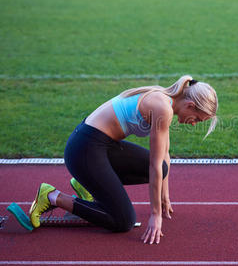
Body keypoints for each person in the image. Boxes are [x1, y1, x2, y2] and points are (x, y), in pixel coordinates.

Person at [28, 75, 218, 245]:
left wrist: (164, 197)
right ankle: (52, 196)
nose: (194, 124)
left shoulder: (165, 99)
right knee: (122, 221)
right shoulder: (163, 108)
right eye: (198, 119)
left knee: (163, 168)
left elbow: (164, 155)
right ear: (190, 105)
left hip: (100, 146)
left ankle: (86, 185)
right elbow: (154, 165)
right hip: (84, 150)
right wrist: (155, 215)